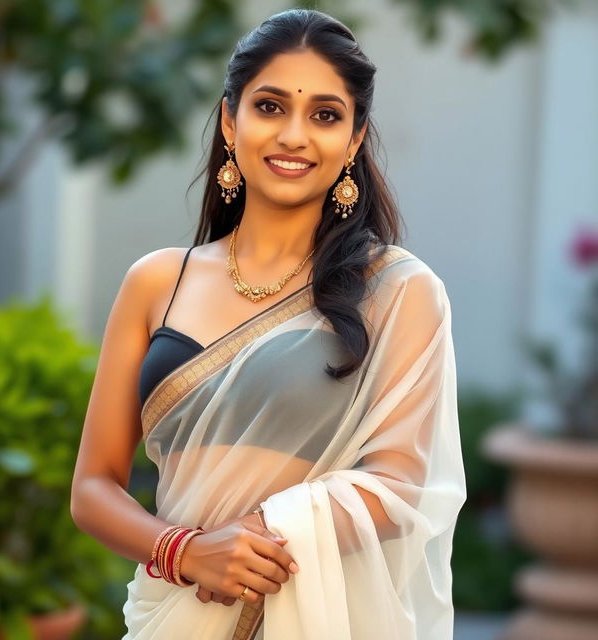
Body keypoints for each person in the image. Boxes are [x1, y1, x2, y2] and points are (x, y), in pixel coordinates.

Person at [70, 8, 466, 640]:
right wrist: (187, 551)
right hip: (173, 613)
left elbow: (399, 485)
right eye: (271, 107)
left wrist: (257, 535)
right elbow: (93, 488)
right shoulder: (157, 281)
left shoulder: (397, 290)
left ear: (355, 140)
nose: (294, 135)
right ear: (231, 120)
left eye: (325, 115)